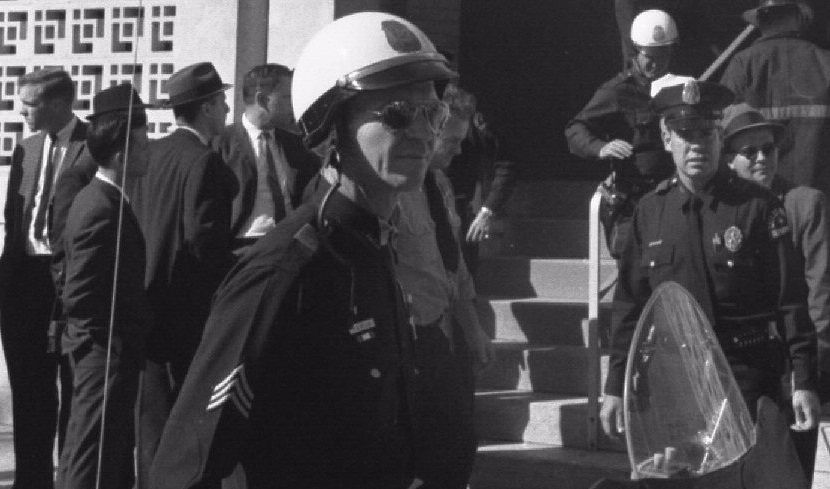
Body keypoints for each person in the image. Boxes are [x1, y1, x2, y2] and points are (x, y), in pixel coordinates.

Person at [147, 12, 456, 489]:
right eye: (397, 113)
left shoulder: (376, 248)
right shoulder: (286, 269)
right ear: (331, 127)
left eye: (433, 113)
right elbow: (186, 466)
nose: (422, 131)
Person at [600, 78, 819, 453]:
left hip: (748, 375)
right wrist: (615, 385)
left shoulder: (757, 207)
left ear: (719, 137)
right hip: (677, 379)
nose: (697, 145)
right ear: (667, 138)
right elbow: (629, 305)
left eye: (706, 133)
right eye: (685, 134)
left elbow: (791, 300)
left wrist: (804, 379)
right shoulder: (650, 212)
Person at [129, 61, 236, 487]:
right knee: (186, 431)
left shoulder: (151, 154)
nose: (227, 109)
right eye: (222, 101)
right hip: (185, 317)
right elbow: (204, 246)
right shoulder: (204, 162)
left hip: (145, 308)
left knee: (151, 430)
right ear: (206, 108)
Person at [720, 103, 827, 483]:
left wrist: (806, 371)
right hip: (739, 367)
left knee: (790, 472)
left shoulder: (803, 204)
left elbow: (821, 291)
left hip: (790, 365)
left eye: (769, 149)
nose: (762, 158)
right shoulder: (721, 211)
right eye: (750, 152)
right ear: (729, 159)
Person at [394, 82, 493, 489]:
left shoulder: (441, 186)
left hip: (443, 335)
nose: (458, 150)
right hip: (408, 342)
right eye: (451, 141)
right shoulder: (394, 192)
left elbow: (454, 267)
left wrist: (473, 328)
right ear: (429, 131)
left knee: (458, 446)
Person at [56, 83, 153, 489]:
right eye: (142, 143)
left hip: (110, 349)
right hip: (101, 350)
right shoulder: (99, 205)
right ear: (120, 155)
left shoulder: (111, 199)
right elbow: (78, 293)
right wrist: (105, 344)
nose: (149, 150)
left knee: (104, 451)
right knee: (89, 455)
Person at [0, 67, 88, 489]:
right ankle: (32, 480)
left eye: (30, 104)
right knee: (29, 390)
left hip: (70, 280)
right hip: (23, 281)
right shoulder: (27, 148)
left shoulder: (93, 146)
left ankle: (71, 477)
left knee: (73, 387)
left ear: (59, 103)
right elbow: (12, 219)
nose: (22, 112)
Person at [565, 9, 676, 258]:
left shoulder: (678, 86)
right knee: (632, 266)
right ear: (636, 52)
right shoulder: (616, 91)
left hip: (672, 196)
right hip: (634, 200)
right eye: (649, 57)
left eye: (663, 55)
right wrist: (600, 148)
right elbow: (575, 129)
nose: (656, 64)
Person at [719, 0, 830, 197]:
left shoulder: (742, 64)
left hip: (759, 199)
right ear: (798, 17)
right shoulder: (826, 62)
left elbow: (720, 133)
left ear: (761, 20)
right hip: (819, 198)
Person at [213, 63, 318, 256]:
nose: (294, 104)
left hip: (291, 244)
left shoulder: (297, 145)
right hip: (242, 249)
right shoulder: (221, 145)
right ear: (262, 100)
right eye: (287, 97)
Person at [442, 86, 517, 272]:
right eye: (451, 141)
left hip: (462, 207)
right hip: (430, 205)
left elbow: (506, 164)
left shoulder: (480, 129)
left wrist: (487, 210)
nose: (457, 149)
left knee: (465, 275)